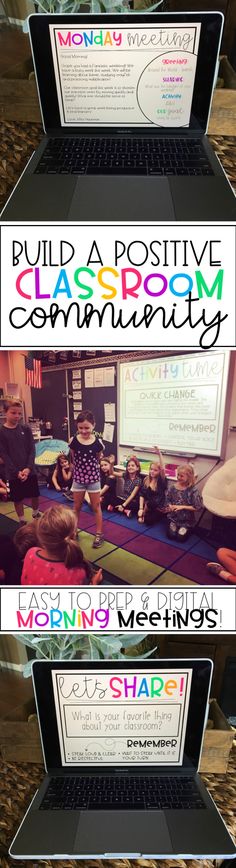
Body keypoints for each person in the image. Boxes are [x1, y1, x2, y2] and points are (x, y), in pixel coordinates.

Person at [21, 505, 102, 586]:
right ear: (73, 535)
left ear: (41, 536)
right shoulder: (78, 573)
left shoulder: (31, 553)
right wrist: (93, 583)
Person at [0, 399, 40, 525]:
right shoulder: (1, 432)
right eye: (13, 413)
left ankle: (36, 513)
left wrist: (28, 468)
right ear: (5, 412)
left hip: (29, 470)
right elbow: (4, 454)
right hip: (13, 473)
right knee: (18, 498)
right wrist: (16, 472)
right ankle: (22, 520)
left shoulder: (26, 429)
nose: (17, 416)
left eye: (19, 413)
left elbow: (32, 450)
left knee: (35, 494)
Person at [70, 410, 104, 548]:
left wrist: (90, 471)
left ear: (93, 426)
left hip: (93, 479)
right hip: (78, 478)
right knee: (76, 507)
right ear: (77, 427)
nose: (84, 431)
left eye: (87, 428)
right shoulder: (73, 441)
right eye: (80, 428)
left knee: (96, 506)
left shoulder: (98, 442)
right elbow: (73, 457)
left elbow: (97, 457)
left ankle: (99, 533)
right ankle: (74, 531)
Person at [166, 463, 203, 540]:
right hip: (174, 517)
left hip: (186, 520)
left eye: (181, 476)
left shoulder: (193, 490)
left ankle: (185, 527)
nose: (178, 477)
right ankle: (174, 524)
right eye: (178, 475)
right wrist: (169, 506)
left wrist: (182, 507)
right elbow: (167, 499)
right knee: (171, 536)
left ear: (189, 477)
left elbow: (198, 507)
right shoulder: (172, 487)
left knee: (180, 538)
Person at [138, 448, 167, 525]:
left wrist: (159, 454)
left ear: (159, 471)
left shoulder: (161, 481)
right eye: (151, 469)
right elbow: (142, 494)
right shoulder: (146, 479)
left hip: (157, 507)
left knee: (148, 521)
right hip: (147, 506)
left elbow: (163, 469)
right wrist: (141, 509)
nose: (152, 471)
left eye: (155, 470)